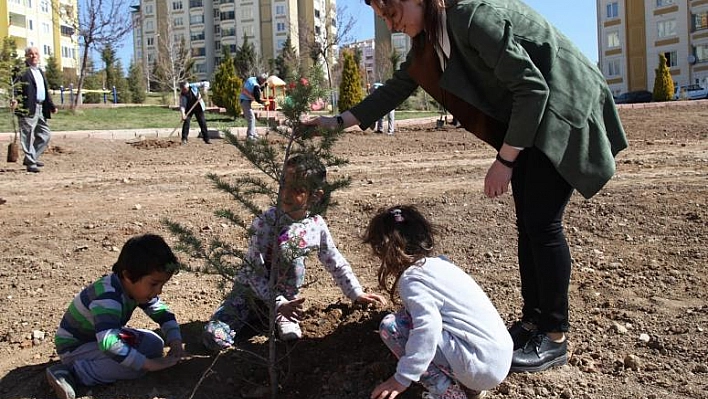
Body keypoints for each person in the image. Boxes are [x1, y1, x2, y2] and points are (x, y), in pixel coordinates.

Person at [305, 0, 628, 373]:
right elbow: (399, 85)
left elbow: (532, 89)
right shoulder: (430, 40)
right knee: (529, 225)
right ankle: (532, 324)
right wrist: (337, 121)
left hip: (557, 111)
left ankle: (554, 337)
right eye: (384, 17)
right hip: (528, 120)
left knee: (543, 225)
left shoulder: (471, 16)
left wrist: (505, 160)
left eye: (393, 13)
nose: (392, 25)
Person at [203, 154, 387, 350]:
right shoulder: (265, 223)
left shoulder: (315, 225)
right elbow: (252, 271)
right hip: (248, 297)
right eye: (283, 184)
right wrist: (277, 302)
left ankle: (273, 319)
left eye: (297, 189)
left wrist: (356, 293)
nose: (286, 194)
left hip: (286, 304)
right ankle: (255, 318)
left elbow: (334, 260)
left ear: (315, 195)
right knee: (214, 338)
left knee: (292, 341)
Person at [363, 205, 512, 399]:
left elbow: (428, 328)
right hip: (498, 359)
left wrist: (402, 377)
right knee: (410, 318)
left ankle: (448, 392)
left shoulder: (412, 279)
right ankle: (470, 388)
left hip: (478, 367)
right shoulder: (442, 265)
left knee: (391, 327)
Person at [46, 234, 184, 399]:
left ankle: (104, 364)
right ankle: (72, 372)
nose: (158, 291)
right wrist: (149, 364)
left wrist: (175, 341)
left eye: (162, 284)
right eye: (154, 284)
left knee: (155, 344)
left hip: (102, 336)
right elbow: (108, 343)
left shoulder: (134, 289)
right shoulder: (107, 297)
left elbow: (162, 313)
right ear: (128, 275)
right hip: (76, 347)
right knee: (136, 368)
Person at [10, 46, 58, 173]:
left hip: (41, 107)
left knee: (45, 135)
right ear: (26, 56)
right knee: (27, 135)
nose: (34, 56)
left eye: (36, 54)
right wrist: (15, 99)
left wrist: (51, 106)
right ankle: (31, 162)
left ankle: (31, 157)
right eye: (31, 54)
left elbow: (44, 90)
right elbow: (15, 87)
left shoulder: (40, 71)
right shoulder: (21, 71)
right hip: (27, 107)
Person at [240, 73, 268, 141]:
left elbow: (256, 91)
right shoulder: (255, 85)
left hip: (246, 100)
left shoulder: (252, 79)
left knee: (252, 118)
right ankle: (250, 136)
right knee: (251, 118)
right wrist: (264, 103)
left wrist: (264, 87)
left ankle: (253, 133)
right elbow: (257, 98)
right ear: (261, 80)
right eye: (264, 81)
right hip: (245, 101)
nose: (264, 82)